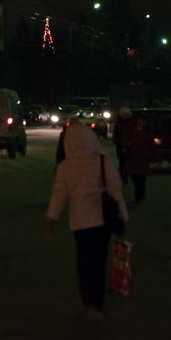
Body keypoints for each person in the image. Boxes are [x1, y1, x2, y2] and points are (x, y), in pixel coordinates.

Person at [45, 118, 128, 321]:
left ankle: (88, 301)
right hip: (102, 221)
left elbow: (59, 195)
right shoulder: (102, 161)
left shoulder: (65, 167)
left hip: (79, 223)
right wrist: (123, 215)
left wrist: (51, 219)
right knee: (99, 261)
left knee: (83, 261)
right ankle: (97, 304)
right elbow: (115, 190)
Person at [126, 113, 157, 203]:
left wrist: (156, 158)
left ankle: (140, 196)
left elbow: (152, 145)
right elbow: (124, 140)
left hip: (143, 158)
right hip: (133, 158)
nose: (141, 122)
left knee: (142, 179)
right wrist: (127, 144)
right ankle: (139, 196)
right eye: (139, 120)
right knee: (136, 178)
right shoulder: (131, 130)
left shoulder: (147, 131)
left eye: (142, 120)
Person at [112, 106, 132, 184]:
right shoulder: (119, 123)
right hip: (120, 145)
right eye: (123, 115)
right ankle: (122, 177)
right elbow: (116, 133)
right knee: (122, 162)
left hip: (128, 145)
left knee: (127, 162)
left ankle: (125, 177)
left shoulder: (131, 123)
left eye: (126, 115)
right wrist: (116, 141)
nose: (125, 116)